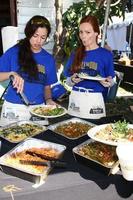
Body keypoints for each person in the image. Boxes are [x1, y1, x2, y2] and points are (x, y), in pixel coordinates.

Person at [0, 15, 58, 125]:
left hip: (38, 110)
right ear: (28, 33)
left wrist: (49, 100)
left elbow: (46, 87)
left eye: (43, 37)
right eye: (35, 35)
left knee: (40, 141)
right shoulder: (14, 52)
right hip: (14, 108)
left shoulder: (48, 59)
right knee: (10, 141)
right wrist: (11, 74)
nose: (38, 41)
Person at [64, 15, 115, 100]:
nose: (83, 36)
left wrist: (108, 82)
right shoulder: (75, 53)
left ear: (96, 33)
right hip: (76, 99)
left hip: (97, 100)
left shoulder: (106, 55)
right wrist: (72, 80)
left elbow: (111, 81)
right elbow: (68, 81)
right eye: (81, 32)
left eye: (87, 32)